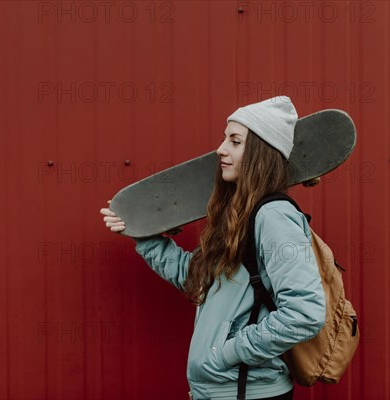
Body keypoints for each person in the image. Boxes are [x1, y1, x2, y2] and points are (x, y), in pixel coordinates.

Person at [100, 96, 326, 400]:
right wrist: (143, 235)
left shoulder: (273, 217)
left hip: (249, 392)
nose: (221, 149)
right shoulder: (240, 214)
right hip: (221, 391)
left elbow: (305, 313)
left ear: (260, 153)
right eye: (225, 139)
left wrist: (227, 351)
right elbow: (197, 278)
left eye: (235, 141)